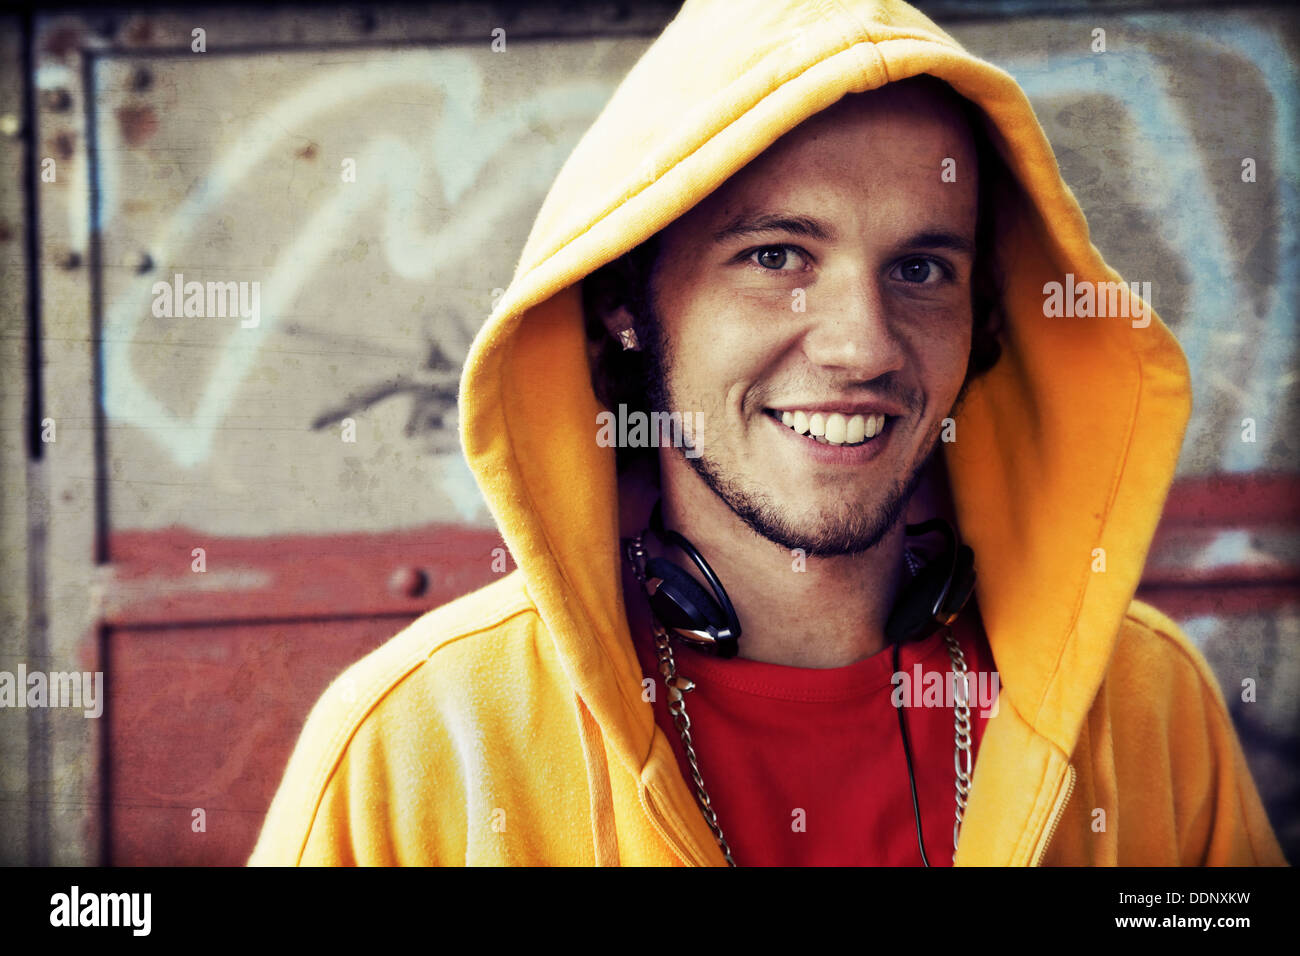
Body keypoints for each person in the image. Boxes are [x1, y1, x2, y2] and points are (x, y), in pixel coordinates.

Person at [249, 0, 1285, 866]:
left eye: (921, 270)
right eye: (777, 256)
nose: (861, 347)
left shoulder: (1147, 707)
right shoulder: (418, 741)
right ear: (624, 301)